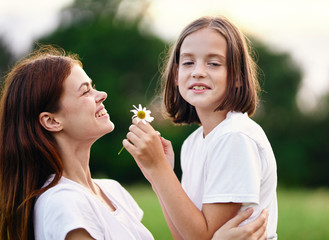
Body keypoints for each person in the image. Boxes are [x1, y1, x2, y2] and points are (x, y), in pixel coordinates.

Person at [0, 46, 268, 240]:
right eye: (85, 91)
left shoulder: (113, 192)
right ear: (51, 121)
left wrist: (157, 174)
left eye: (93, 85)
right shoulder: (63, 205)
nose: (101, 94)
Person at [123, 16, 278, 240]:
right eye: (188, 62)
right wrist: (158, 177)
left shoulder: (234, 137)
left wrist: (159, 168)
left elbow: (201, 236)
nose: (198, 72)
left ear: (237, 77)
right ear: (176, 75)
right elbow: (184, 236)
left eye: (213, 63)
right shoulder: (192, 143)